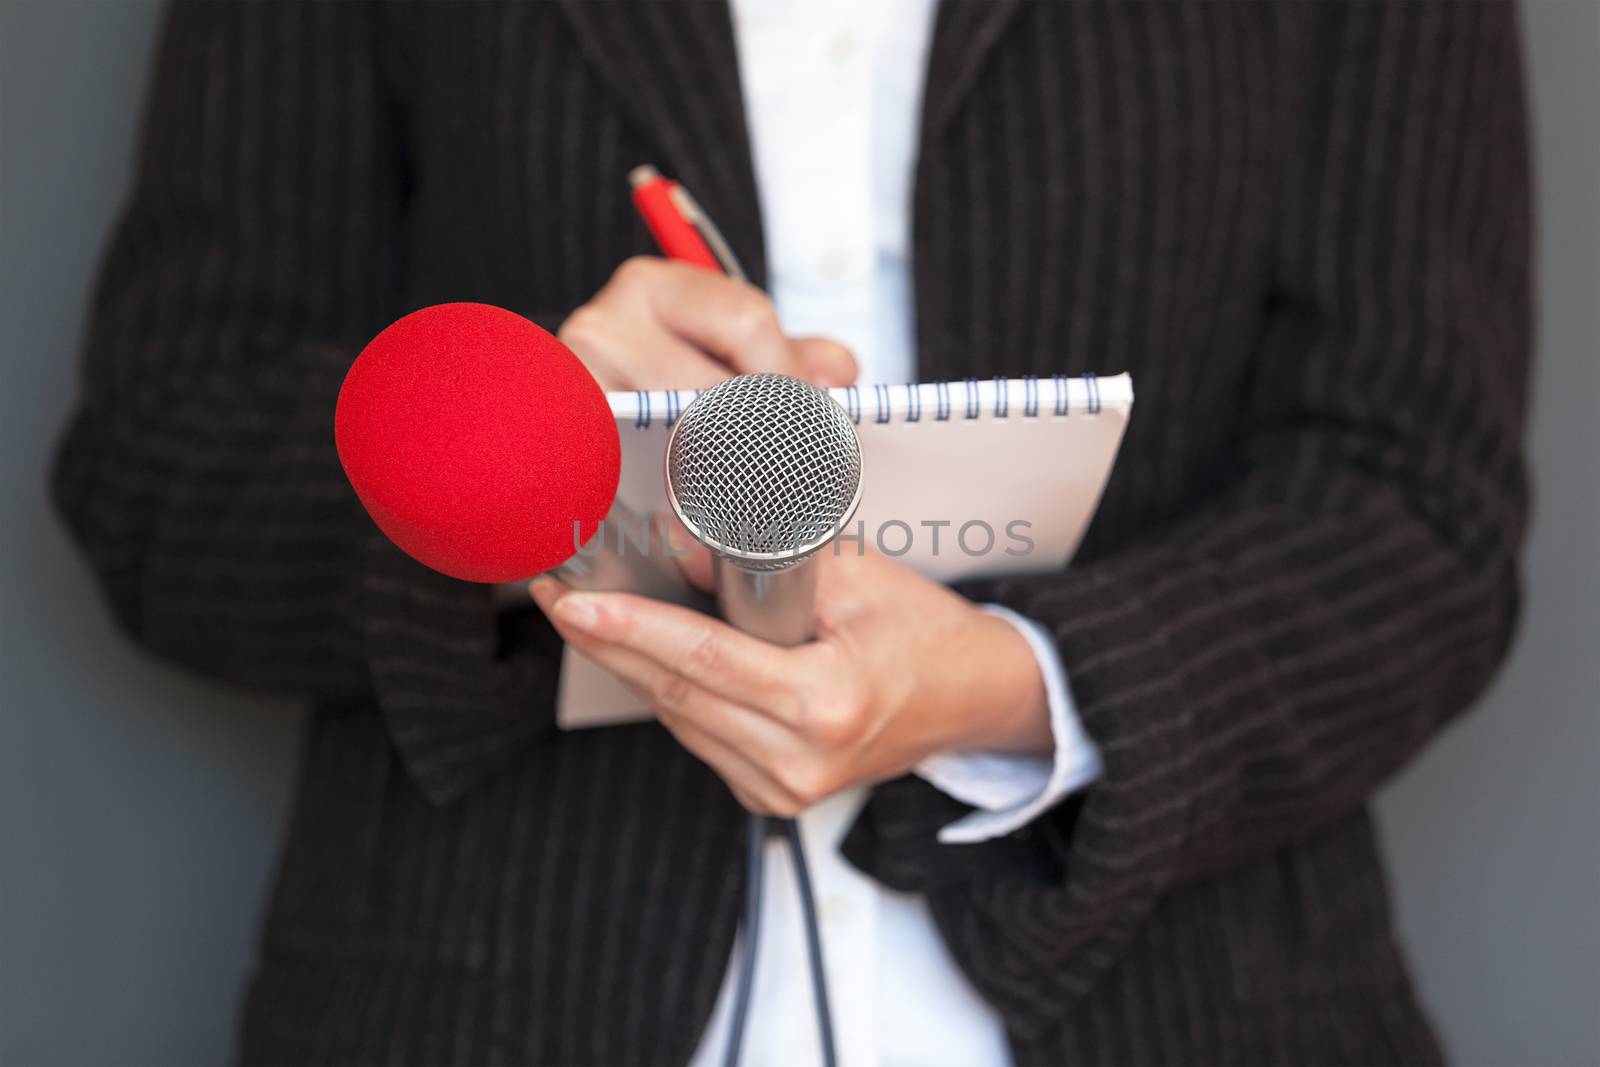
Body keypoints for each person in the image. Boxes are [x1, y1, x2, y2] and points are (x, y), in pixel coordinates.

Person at [52, 1, 1530, 1064]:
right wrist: (527, 459)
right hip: (486, 982)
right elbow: (165, 462)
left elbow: (1417, 500)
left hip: (1192, 996)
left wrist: (1019, 689)